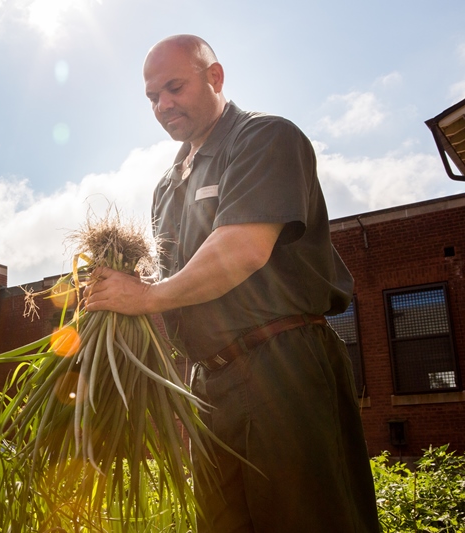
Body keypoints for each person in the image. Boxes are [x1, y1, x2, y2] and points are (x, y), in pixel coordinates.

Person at [85, 35, 380, 533]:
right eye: (152, 97)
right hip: (211, 386)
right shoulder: (166, 185)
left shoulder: (264, 138)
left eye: (174, 88)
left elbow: (241, 249)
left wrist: (148, 296)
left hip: (284, 366)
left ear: (215, 78)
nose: (163, 105)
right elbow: (172, 288)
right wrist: (117, 311)